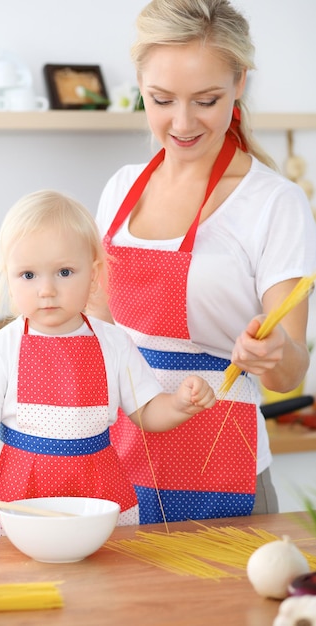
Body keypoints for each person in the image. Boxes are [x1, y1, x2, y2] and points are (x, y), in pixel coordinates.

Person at [89, 0, 316, 524]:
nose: (183, 123)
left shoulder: (273, 202)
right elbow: (97, 334)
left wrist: (273, 352)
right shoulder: (122, 188)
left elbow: (290, 371)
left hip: (223, 473)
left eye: (207, 100)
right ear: (140, 86)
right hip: (117, 467)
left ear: (239, 83)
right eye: (162, 99)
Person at [0, 190, 215, 548]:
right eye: (28, 275)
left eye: (64, 272)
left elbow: (146, 412)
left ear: (94, 275)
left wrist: (178, 404)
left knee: (105, 585)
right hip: (21, 501)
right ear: (8, 277)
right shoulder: (1, 349)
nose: (47, 290)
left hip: (98, 500)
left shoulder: (114, 343)